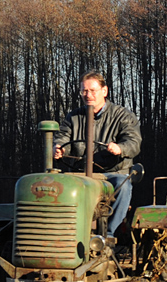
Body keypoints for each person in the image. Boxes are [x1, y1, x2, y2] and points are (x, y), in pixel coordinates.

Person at [53, 70, 142, 236]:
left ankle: (107, 235)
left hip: (112, 173)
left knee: (123, 186)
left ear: (104, 91)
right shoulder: (73, 117)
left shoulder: (123, 116)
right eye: (84, 91)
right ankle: (62, 232)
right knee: (55, 185)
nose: (88, 95)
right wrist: (60, 149)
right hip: (80, 174)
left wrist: (120, 148)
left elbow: (134, 143)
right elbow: (62, 138)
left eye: (92, 90)